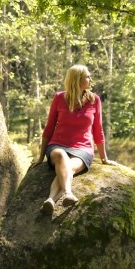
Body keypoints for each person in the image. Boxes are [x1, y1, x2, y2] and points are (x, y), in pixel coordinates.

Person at [31, 64, 111, 214]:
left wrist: (104, 158)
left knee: (69, 168)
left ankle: (50, 200)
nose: (90, 79)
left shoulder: (95, 100)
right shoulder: (59, 98)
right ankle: (68, 193)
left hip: (83, 148)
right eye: (87, 76)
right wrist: (41, 156)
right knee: (61, 156)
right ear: (77, 79)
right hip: (57, 145)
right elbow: (49, 128)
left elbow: (98, 130)